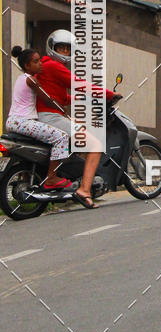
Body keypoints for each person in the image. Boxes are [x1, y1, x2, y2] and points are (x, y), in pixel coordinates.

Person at [35, 29, 117, 209]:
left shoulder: (45, 66)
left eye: (68, 48)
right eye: (61, 48)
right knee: (95, 145)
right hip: (50, 117)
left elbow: (59, 98)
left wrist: (79, 100)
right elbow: (80, 84)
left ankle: (70, 176)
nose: (65, 51)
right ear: (52, 47)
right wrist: (108, 94)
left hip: (46, 116)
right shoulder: (53, 66)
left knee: (79, 133)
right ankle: (84, 190)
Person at [6, 46, 72, 189]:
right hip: (23, 122)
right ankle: (51, 177)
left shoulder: (21, 78)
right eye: (36, 62)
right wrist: (61, 108)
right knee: (61, 137)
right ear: (27, 65)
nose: (40, 64)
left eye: (40, 60)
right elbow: (47, 99)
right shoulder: (32, 81)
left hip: (13, 121)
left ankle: (28, 176)